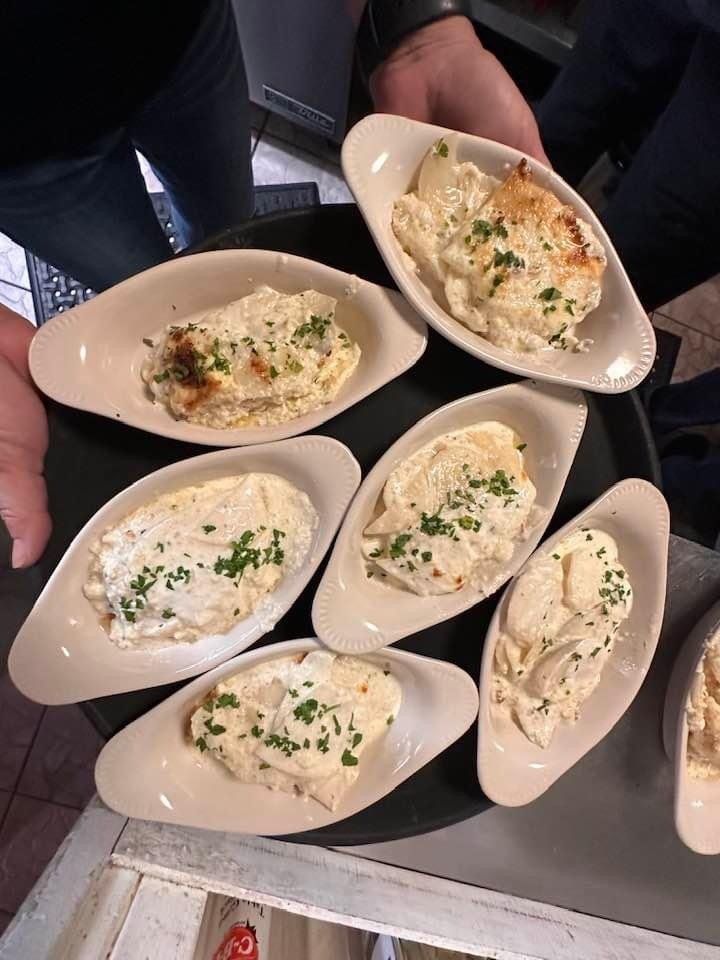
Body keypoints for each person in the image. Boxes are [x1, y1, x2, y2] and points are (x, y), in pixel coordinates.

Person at [1, 4, 544, 568]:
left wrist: (418, 25)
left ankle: (197, 261)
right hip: (18, 134)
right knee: (134, 282)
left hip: (179, 36)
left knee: (226, 219)